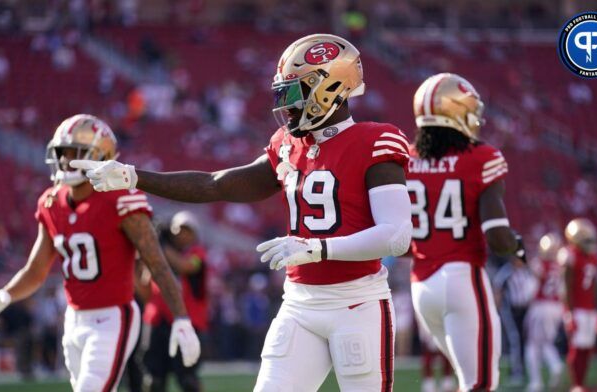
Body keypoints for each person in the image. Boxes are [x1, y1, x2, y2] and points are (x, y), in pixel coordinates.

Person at [71, 34, 414, 391]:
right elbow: (215, 184)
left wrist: (319, 248)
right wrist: (134, 176)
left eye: (294, 94)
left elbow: (396, 234)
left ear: (328, 88)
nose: (288, 107)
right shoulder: (288, 145)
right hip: (299, 303)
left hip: (356, 303)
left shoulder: (375, 140)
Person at [0, 114, 200, 392]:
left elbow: (156, 263)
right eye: (62, 153)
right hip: (73, 320)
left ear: (101, 157)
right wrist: (6, 294)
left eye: (75, 154)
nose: (66, 161)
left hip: (112, 318)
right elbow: (36, 269)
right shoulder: (52, 201)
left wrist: (181, 318)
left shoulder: (119, 197)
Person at [406, 73, 524, 391]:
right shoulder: (481, 158)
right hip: (461, 279)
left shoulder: (405, 160)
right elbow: (499, 241)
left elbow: (401, 240)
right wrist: (518, 246)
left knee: (465, 379)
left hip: (421, 285)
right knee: (480, 383)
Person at [141, 211, 209, 392]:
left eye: (187, 230)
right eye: (178, 229)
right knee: (153, 380)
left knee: (188, 380)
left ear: (195, 235)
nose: (181, 234)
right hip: (157, 321)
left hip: (188, 322)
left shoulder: (197, 254)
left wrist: (159, 247)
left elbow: (185, 266)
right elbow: (145, 286)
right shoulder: (160, 255)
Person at [558, 218, 597, 392]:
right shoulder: (570, 255)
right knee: (576, 347)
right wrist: (569, 312)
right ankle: (576, 385)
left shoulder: (593, 257)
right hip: (577, 309)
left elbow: (594, 286)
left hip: (589, 309)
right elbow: (566, 286)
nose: (589, 243)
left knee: (587, 348)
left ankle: (581, 384)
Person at [525, 232, 565, 392]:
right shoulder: (560, 267)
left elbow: (532, 289)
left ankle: (537, 380)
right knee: (545, 342)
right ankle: (554, 365)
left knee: (533, 344)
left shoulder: (539, 264)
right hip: (556, 307)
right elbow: (563, 291)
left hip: (541, 306)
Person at [493, 256, 538, 386]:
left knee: (525, 340)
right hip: (510, 310)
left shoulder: (526, 271)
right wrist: (498, 308)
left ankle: (523, 369)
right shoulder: (506, 272)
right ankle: (516, 371)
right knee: (515, 339)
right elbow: (498, 289)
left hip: (525, 310)